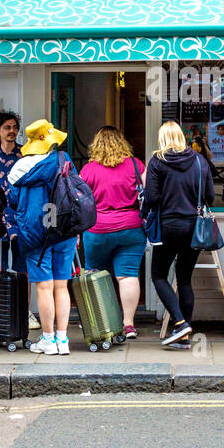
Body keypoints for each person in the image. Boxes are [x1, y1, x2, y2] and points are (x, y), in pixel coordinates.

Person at [8, 119, 77, 356]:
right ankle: (62, 338)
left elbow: (13, 202)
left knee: (44, 287)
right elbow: (75, 191)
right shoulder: (63, 160)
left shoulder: (19, 168)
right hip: (64, 230)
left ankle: (47, 339)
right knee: (61, 285)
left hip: (35, 231)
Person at [143, 120, 212, 347]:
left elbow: (151, 198)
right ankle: (184, 336)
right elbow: (210, 196)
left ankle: (181, 323)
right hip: (194, 228)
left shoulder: (157, 161)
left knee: (158, 275)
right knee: (184, 279)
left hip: (168, 226)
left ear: (162, 138)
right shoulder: (200, 160)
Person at [80, 126, 147, 339]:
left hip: (98, 229)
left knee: (95, 275)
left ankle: (98, 322)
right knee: (127, 275)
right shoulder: (136, 166)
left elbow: (80, 203)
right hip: (131, 228)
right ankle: (128, 325)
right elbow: (150, 195)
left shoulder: (88, 170)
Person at [0, 109, 38, 331]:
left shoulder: (25, 155)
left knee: (23, 269)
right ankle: (0, 312)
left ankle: (24, 312)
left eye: (15, 127)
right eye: (7, 127)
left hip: (21, 219)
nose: (12, 131)